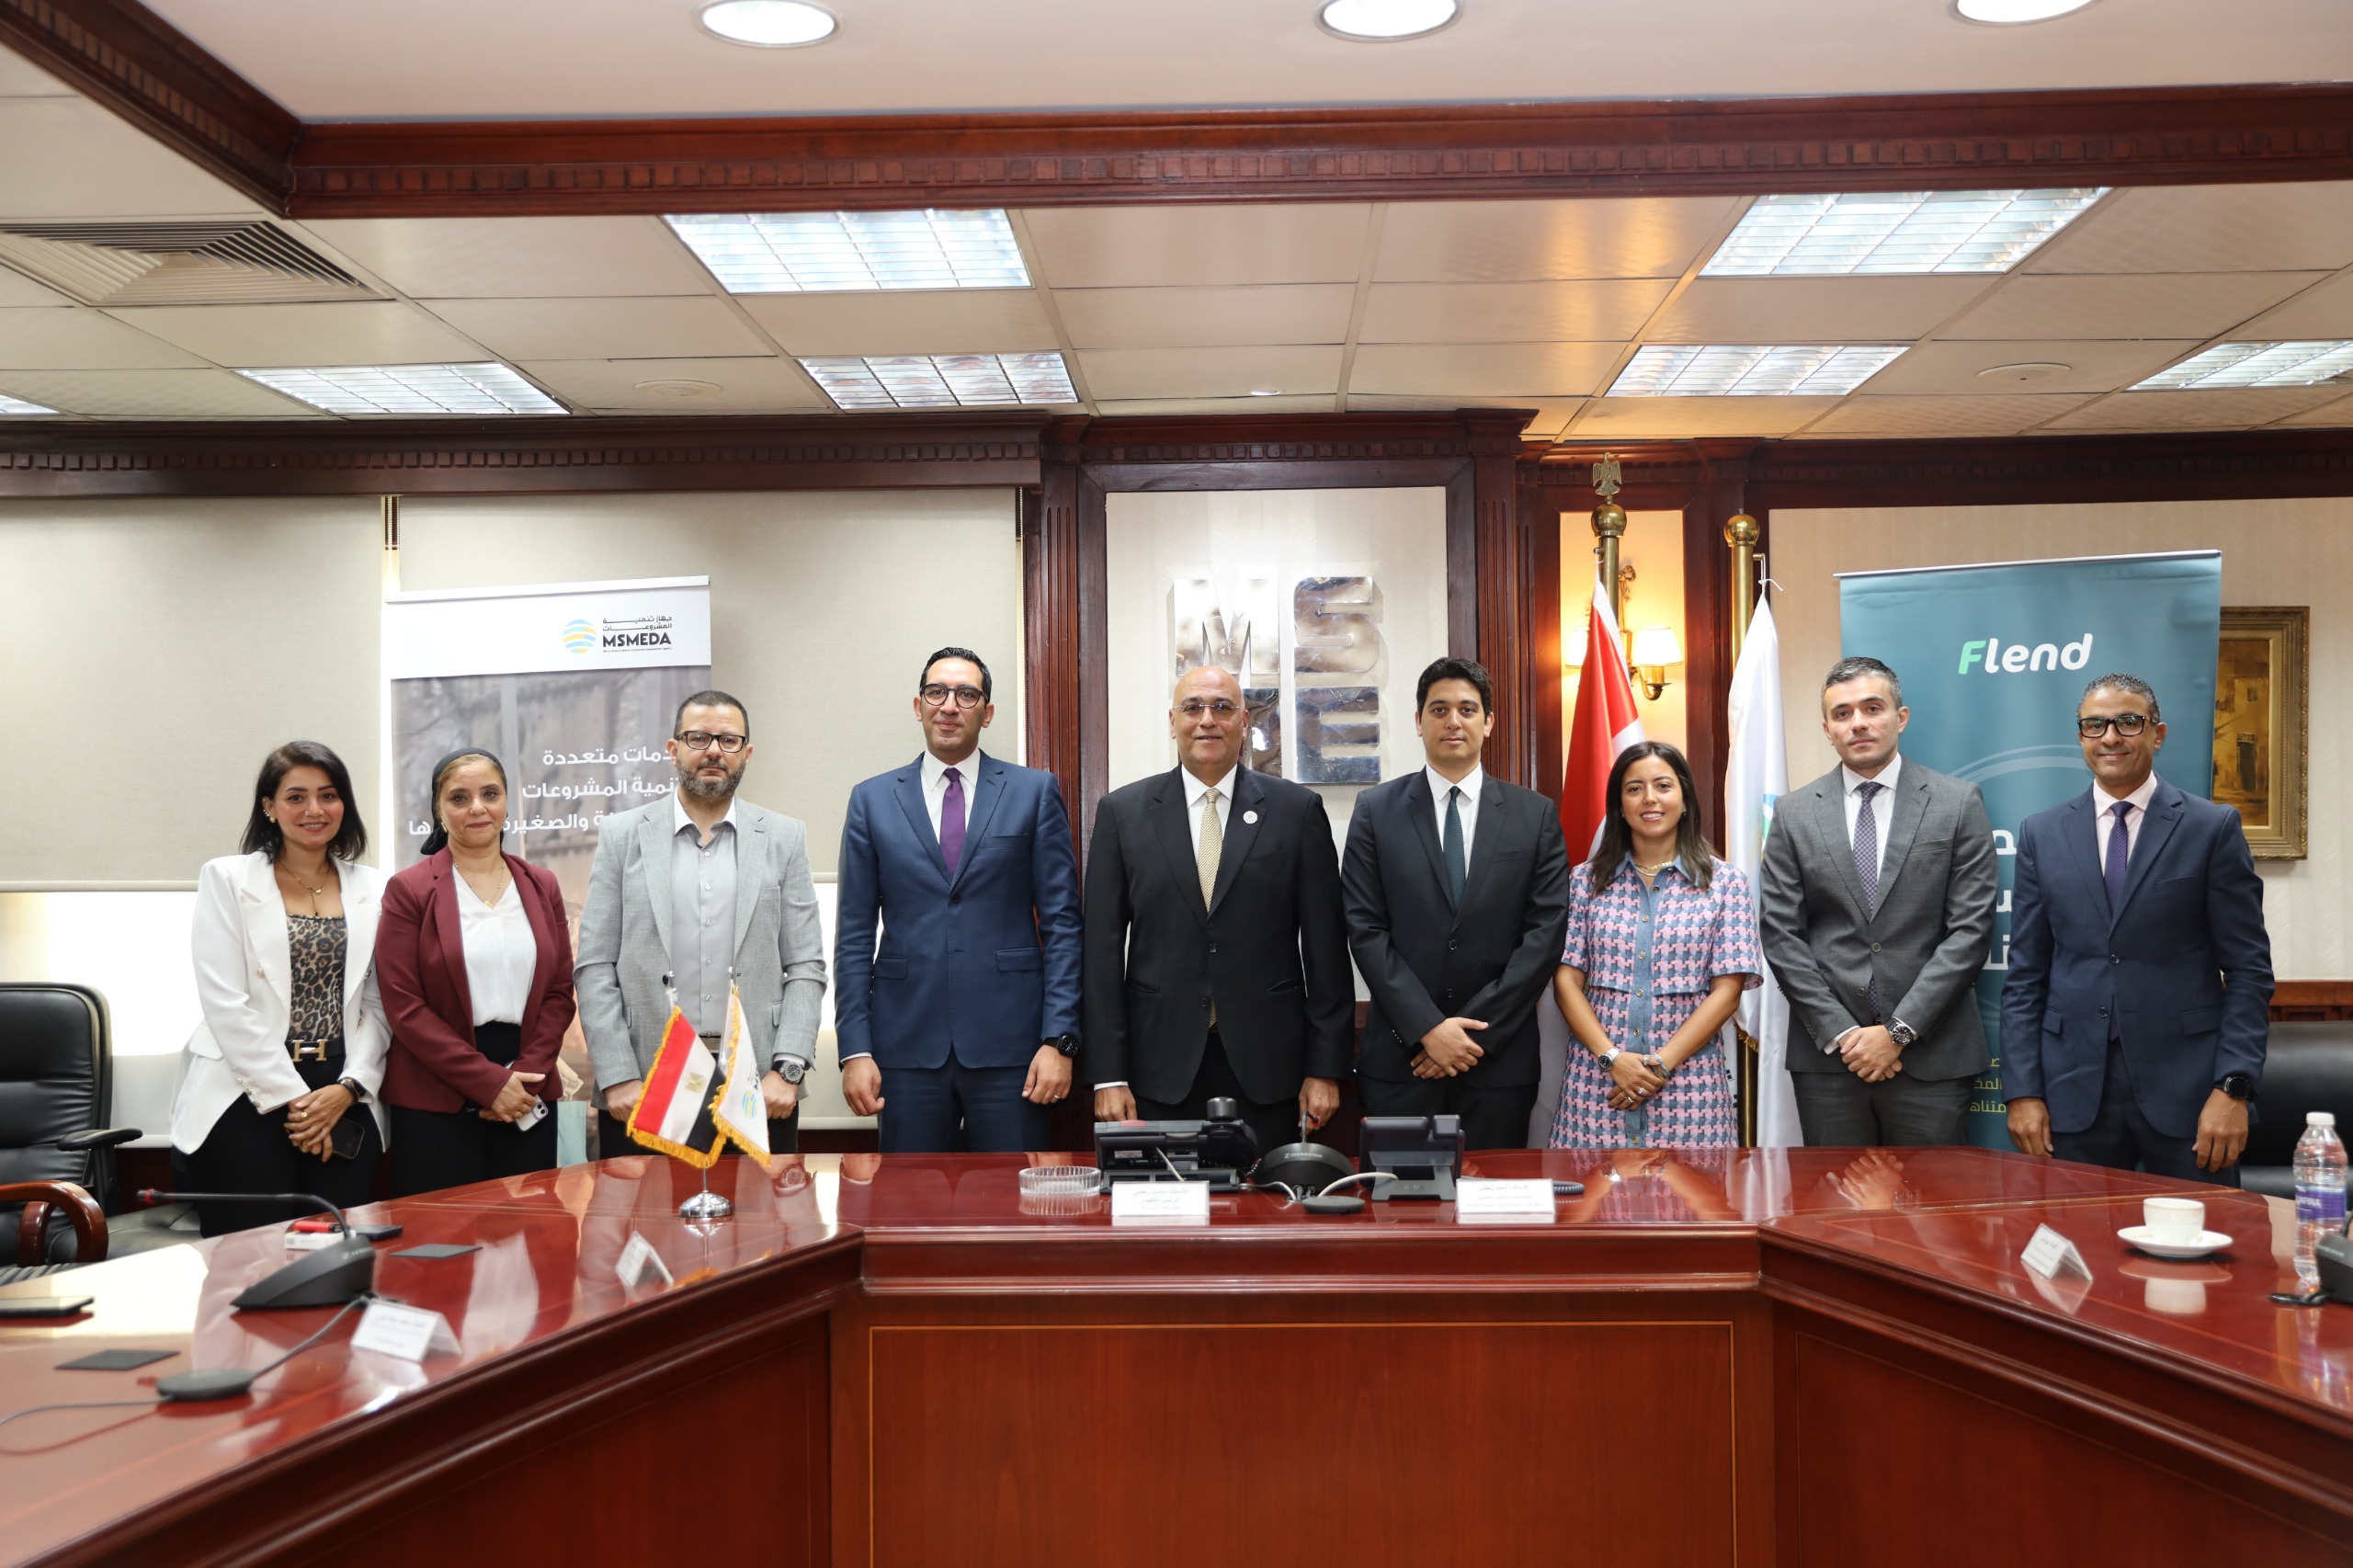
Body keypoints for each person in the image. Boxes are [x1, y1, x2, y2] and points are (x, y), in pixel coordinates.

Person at [2000, 674, 2273, 1182]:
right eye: (2095, 725)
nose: (2110, 737)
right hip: (2072, 1095)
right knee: (2078, 1233)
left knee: (2204, 1231)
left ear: (2157, 734)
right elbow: (2025, 977)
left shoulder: (2210, 828)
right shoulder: (2042, 833)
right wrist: (2022, 1091)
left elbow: (2249, 972)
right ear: (2081, 736)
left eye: (2128, 722)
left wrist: (2233, 1087)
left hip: (2191, 1095)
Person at [1085, 664, 1354, 1157]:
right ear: (1173, 722)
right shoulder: (1122, 813)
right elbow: (1099, 952)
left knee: (1267, 1202)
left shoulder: (1296, 811)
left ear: (1244, 722)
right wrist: (1108, 1075)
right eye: (1193, 707)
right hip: (1157, 1068)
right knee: (1165, 1202)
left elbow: (1327, 952)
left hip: (1270, 1069)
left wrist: (1325, 1069)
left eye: (1222, 707)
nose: (1207, 719)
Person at [835, 647, 1083, 1152]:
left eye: (966, 694)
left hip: (1014, 1049)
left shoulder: (1033, 792)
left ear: (987, 713)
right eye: (937, 692)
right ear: (918, 706)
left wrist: (1059, 1040)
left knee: (1013, 1196)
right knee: (910, 1196)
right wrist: (855, 1049)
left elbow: (1063, 925)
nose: (949, 705)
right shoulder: (871, 800)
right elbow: (854, 936)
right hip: (904, 1049)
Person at [1756, 656, 1998, 1147]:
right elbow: (1781, 935)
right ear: (1827, 729)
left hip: (1932, 1057)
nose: (1858, 723)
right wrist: (1845, 1035)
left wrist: (1899, 1032)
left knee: (1931, 1197)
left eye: (1872, 708)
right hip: (1831, 1062)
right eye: (1842, 713)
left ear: (1900, 717)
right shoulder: (1793, 813)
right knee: (1834, 1196)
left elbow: (1970, 931)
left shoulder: (1957, 802)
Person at [575, 690, 825, 1157]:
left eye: (729, 741)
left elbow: (806, 965)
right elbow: (594, 966)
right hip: (645, 1085)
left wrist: (788, 1069)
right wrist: (617, 1074)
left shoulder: (784, 837)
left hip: (756, 1086)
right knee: (643, 1209)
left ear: (747, 753)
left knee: (758, 1209)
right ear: (673, 749)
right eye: (698, 738)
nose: (714, 751)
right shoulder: (622, 835)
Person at [1343, 656, 1571, 1150]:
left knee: (1492, 1199)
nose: (1453, 721)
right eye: (1439, 709)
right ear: (1418, 721)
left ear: (1488, 723)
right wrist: (1427, 1028)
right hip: (1401, 1062)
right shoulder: (1375, 811)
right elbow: (1365, 929)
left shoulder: (1534, 815)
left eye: (1467, 710)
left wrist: (1469, 1038)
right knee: (1400, 1196)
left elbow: (1544, 936)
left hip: (1497, 1066)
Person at [173, 742, 388, 1237]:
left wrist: (349, 1087)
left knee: (339, 1255)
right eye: (296, 797)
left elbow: (379, 1004)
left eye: (328, 795)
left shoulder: (376, 888)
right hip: (244, 1092)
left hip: (342, 1091)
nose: (314, 810)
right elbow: (225, 1001)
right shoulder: (227, 877)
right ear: (269, 806)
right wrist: (298, 1100)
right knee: (247, 1260)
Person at [375, 748, 575, 1197]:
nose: (477, 808)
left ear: (506, 801)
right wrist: (488, 1083)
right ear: (439, 810)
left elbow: (560, 992)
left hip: (526, 1089)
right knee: (441, 1235)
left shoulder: (542, 885)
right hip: (436, 1094)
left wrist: (524, 1078)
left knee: (530, 1231)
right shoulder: (408, 890)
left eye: (490, 794)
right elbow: (404, 1006)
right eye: (459, 798)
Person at [1549, 741, 1759, 1149]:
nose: (1649, 798)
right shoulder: (1585, 882)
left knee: (1693, 1191)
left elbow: (1728, 993)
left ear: (1685, 799)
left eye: (1663, 786)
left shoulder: (1726, 884)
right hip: (1597, 1085)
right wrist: (1612, 1058)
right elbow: (1566, 982)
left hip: (1690, 1089)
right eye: (1634, 788)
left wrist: (1658, 1067)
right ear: (1619, 805)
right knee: (1586, 1191)